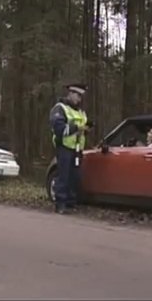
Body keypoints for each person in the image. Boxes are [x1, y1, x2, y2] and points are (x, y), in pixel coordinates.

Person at [49, 83, 90, 214]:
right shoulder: (60, 108)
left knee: (75, 176)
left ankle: (71, 203)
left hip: (78, 148)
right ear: (71, 94)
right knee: (63, 175)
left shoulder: (81, 112)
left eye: (81, 96)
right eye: (77, 95)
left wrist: (86, 129)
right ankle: (60, 204)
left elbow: (82, 127)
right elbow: (59, 129)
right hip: (65, 147)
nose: (79, 99)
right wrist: (76, 128)